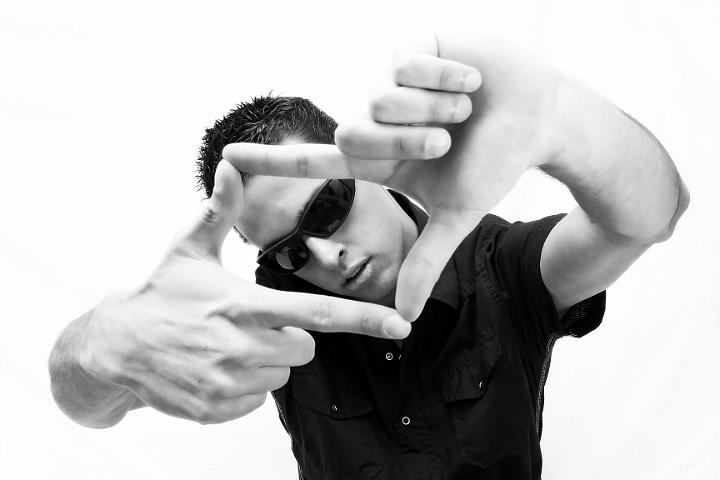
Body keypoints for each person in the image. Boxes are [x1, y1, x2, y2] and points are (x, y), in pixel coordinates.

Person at [49, 33, 689, 480]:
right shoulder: (268, 313)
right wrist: (104, 341)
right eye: (289, 252)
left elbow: (651, 216)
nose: (324, 255)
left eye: (328, 207)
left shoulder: (500, 264)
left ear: (368, 168)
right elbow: (88, 405)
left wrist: (562, 122)